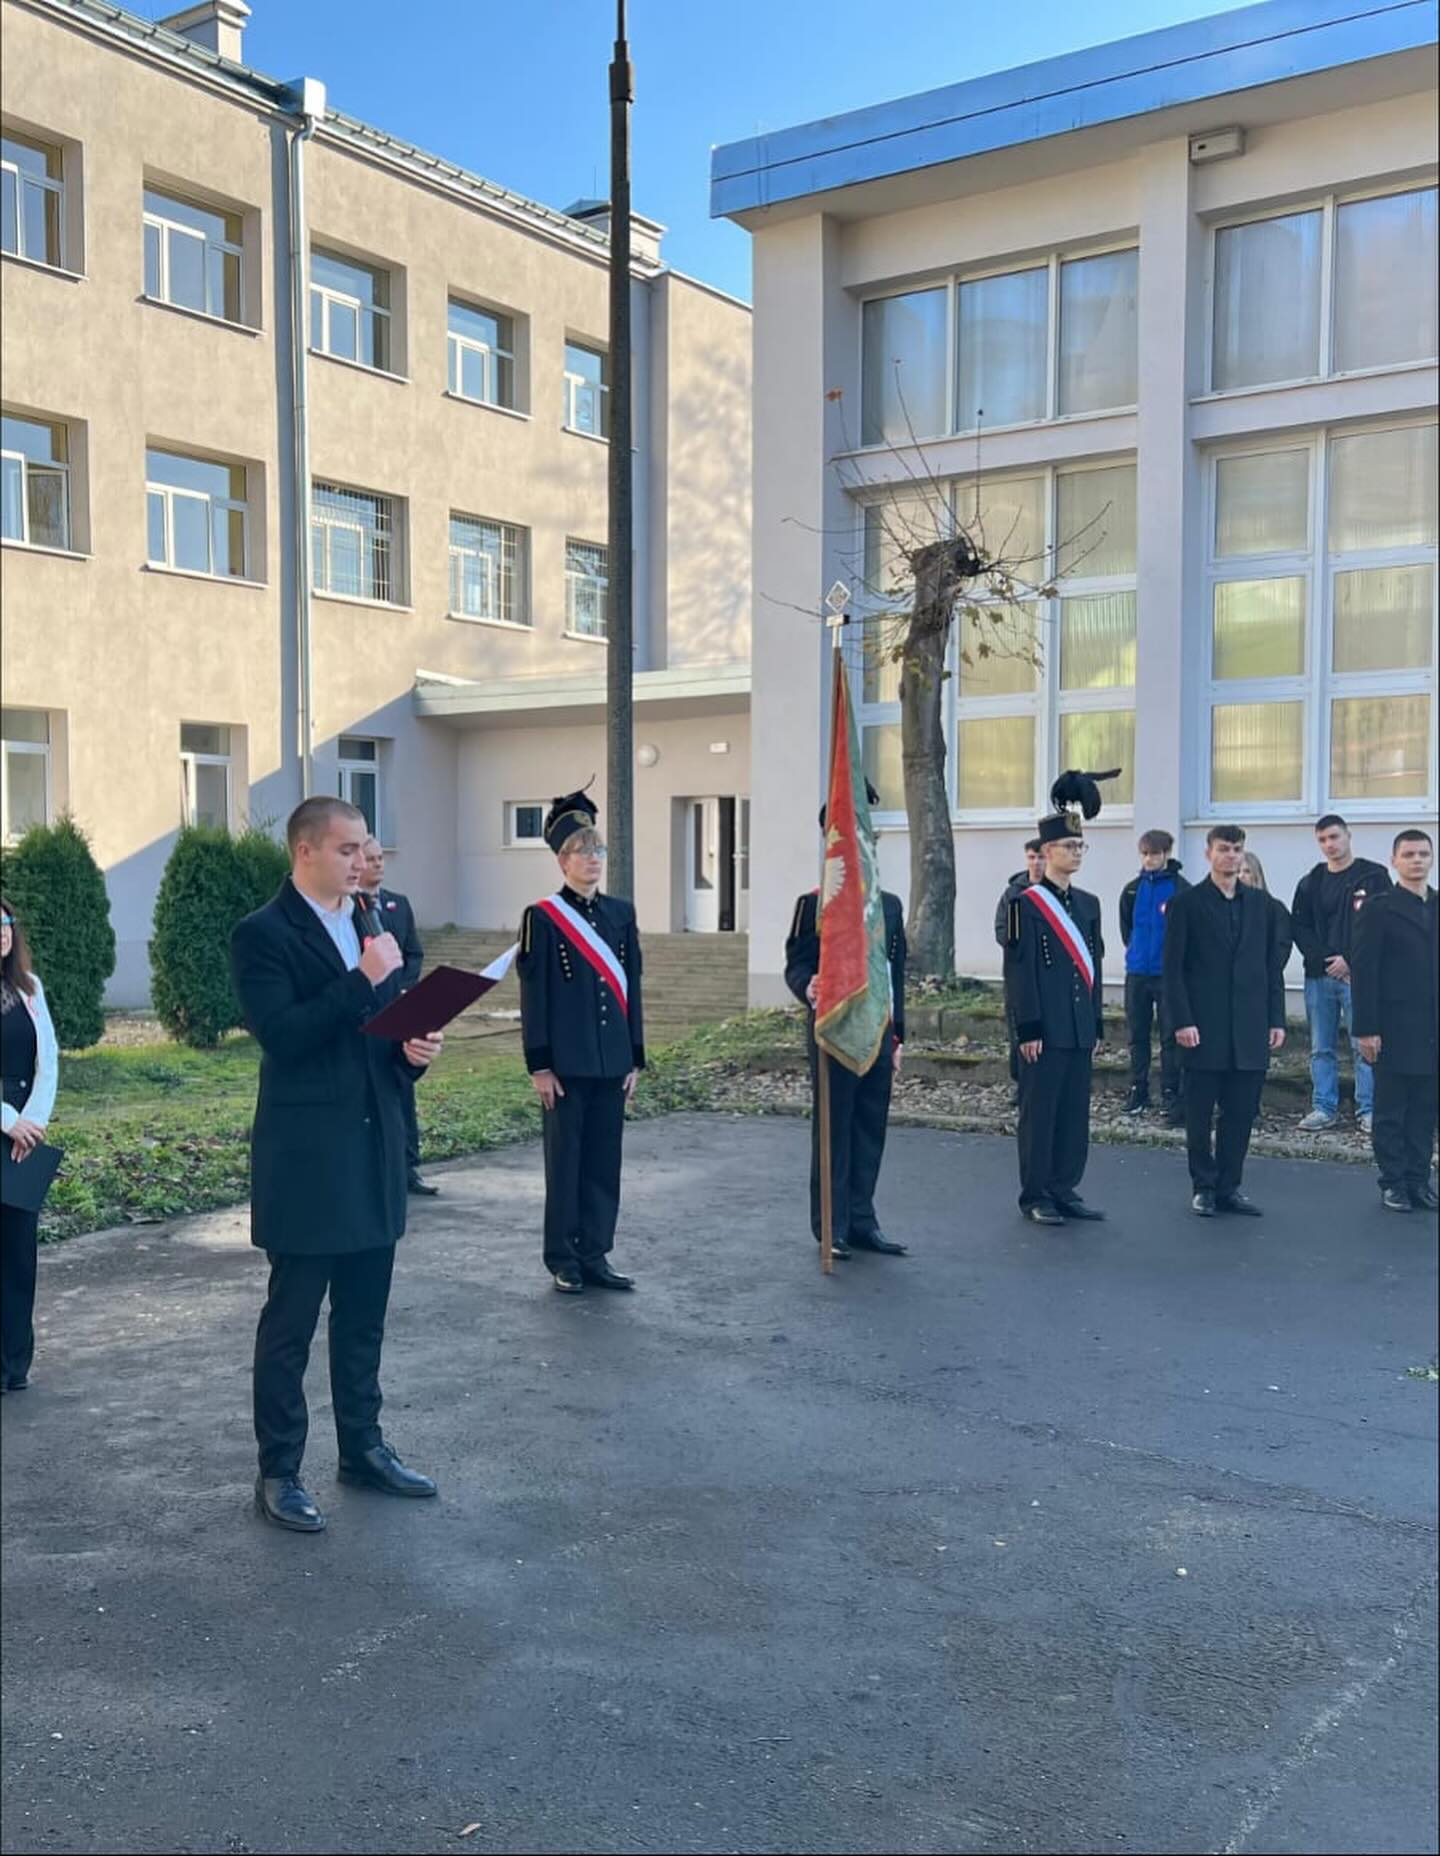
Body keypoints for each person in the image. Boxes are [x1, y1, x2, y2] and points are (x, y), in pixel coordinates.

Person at [230, 798, 444, 1533]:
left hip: (374, 1147)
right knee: (290, 1326)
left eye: (365, 848)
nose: (363, 862)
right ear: (306, 852)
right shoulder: (262, 934)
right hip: (308, 1161)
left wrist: (413, 1052)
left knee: (363, 1319)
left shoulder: (370, 921)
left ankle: (363, 1449)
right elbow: (284, 1037)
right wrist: (361, 977)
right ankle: (279, 1471)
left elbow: (376, 1039)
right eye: (348, 849)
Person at [518, 790, 645, 1294]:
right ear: (561, 860)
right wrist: (539, 1065)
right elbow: (535, 995)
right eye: (581, 851)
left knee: (603, 1163)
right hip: (566, 1065)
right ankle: (563, 1257)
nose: (592, 859)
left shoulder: (621, 913)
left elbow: (632, 988)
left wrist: (635, 1057)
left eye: (598, 850)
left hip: (611, 1061)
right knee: (565, 1163)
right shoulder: (543, 917)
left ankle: (595, 1252)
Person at [785, 782, 908, 1260]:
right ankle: (831, 1226)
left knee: (869, 1128)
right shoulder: (814, 904)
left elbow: (895, 973)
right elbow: (797, 965)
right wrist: (808, 985)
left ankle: (861, 1220)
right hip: (833, 1030)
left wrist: (898, 1037)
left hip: (877, 1031)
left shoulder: (888, 906)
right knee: (834, 1130)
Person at [1003, 771, 1112, 1227]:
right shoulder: (1023, 905)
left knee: (1073, 1113)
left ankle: (1064, 1187)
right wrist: (1027, 1028)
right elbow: (1019, 971)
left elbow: (1094, 968)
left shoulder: (1089, 904)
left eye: (1081, 846)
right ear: (1047, 852)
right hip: (1043, 1029)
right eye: (1069, 846)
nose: (1076, 853)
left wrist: (1096, 1023)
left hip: (1078, 1027)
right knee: (1040, 1114)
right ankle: (1036, 1193)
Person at [1164, 825, 1288, 1218]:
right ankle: (1203, 1185)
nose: (1231, 855)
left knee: (1240, 1114)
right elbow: (1173, 970)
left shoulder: (1262, 905)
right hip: (1203, 1026)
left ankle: (1228, 1187)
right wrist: (1182, 1020)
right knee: (1199, 1114)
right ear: (1208, 853)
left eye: (1237, 849)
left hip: (1250, 1026)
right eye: (1223, 848)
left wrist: (1276, 1018)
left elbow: (1270, 967)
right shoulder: (1186, 904)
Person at [1352, 829, 1438, 1214]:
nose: (1417, 860)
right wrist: (1366, 1029)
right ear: (1394, 861)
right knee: (1391, 1110)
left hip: (1432, 1026)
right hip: (1392, 1026)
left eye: (1423, 854)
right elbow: (1364, 971)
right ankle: (1394, 1183)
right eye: (1409, 854)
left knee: (1425, 1110)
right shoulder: (1379, 908)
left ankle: (1419, 1181)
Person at [1290, 815, 1388, 1135]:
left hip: (1360, 978)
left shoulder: (1373, 877)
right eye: (1322, 840)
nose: (1329, 845)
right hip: (1319, 977)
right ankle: (1324, 1107)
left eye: (1334, 837)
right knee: (1321, 1047)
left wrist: (1351, 961)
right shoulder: (1311, 882)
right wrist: (1326, 960)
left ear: (1348, 835)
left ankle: (1369, 1110)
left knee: (1365, 1044)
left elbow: (1380, 924)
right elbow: (1300, 926)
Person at [1, 897, 59, 1394]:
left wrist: (32, 1123)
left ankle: (15, 1361)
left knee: (19, 1252)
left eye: (5, 923)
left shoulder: (30, 987)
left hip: (25, 1136)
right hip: (5, 1123)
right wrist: (7, 1121)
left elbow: (49, 1061)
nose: (1, 931)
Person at [360, 837, 436, 1197]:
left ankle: (408, 1165)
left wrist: (403, 988)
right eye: (370, 859)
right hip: (369, 1010)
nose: (378, 864)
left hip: (401, 1005)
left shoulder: (398, 904)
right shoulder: (352, 911)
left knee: (405, 1084)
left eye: (381, 858)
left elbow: (413, 953)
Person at [1119, 829, 1188, 1124]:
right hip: (1137, 973)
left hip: (1168, 975)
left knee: (1170, 1036)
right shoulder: (1132, 890)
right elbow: (1126, 928)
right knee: (1137, 1034)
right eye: (1145, 854)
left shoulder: (1181, 889)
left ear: (1167, 854)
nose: (1149, 859)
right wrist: (1136, 953)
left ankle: (1170, 1090)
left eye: (1155, 854)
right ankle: (1139, 1088)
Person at [994, 838, 1044, 1101]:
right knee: (1018, 1029)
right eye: (1031, 857)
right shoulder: (1013, 895)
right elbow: (1003, 931)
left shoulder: (1056, 891)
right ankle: (1022, 1082)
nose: (1036, 863)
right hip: (1019, 974)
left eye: (1040, 857)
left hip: (1048, 975)